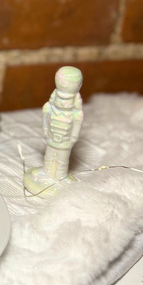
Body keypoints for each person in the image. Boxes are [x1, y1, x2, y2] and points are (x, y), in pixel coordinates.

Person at [24, 66, 83, 196]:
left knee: (62, 159)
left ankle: (60, 176)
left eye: (67, 100)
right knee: (49, 156)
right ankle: (47, 172)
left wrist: (73, 137)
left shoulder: (75, 114)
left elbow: (77, 123)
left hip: (65, 140)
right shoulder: (50, 106)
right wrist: (45, 129)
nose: (63, 102)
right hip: (52, 137)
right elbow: (46, 117)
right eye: (60, 98)